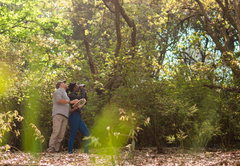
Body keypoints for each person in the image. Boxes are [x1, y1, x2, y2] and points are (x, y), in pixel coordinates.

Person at [47, 80, 79, 153]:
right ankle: (51, 148)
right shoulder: (58, 91)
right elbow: (59, 100)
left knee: (61, 134)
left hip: (65, 115)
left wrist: (73, 109)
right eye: (64, 83)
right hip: (58, 114)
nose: (65, 84)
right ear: (60, 85)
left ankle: (56, 149)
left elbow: (66, 108)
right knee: (56, 132)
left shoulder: (65, 94)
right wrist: (70, 102)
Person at [68, 82, 91, 154]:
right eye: (77, 86)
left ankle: (86, 152)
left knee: (87, 134)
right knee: (72, 135)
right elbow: (82, 98)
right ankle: (70, 152)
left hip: (78, 117)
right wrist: (82, 90)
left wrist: (83, 90)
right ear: (74, 87)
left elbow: (85, 101)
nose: (78, 87)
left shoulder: (76, 96)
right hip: (74, 116)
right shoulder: (71, 95)